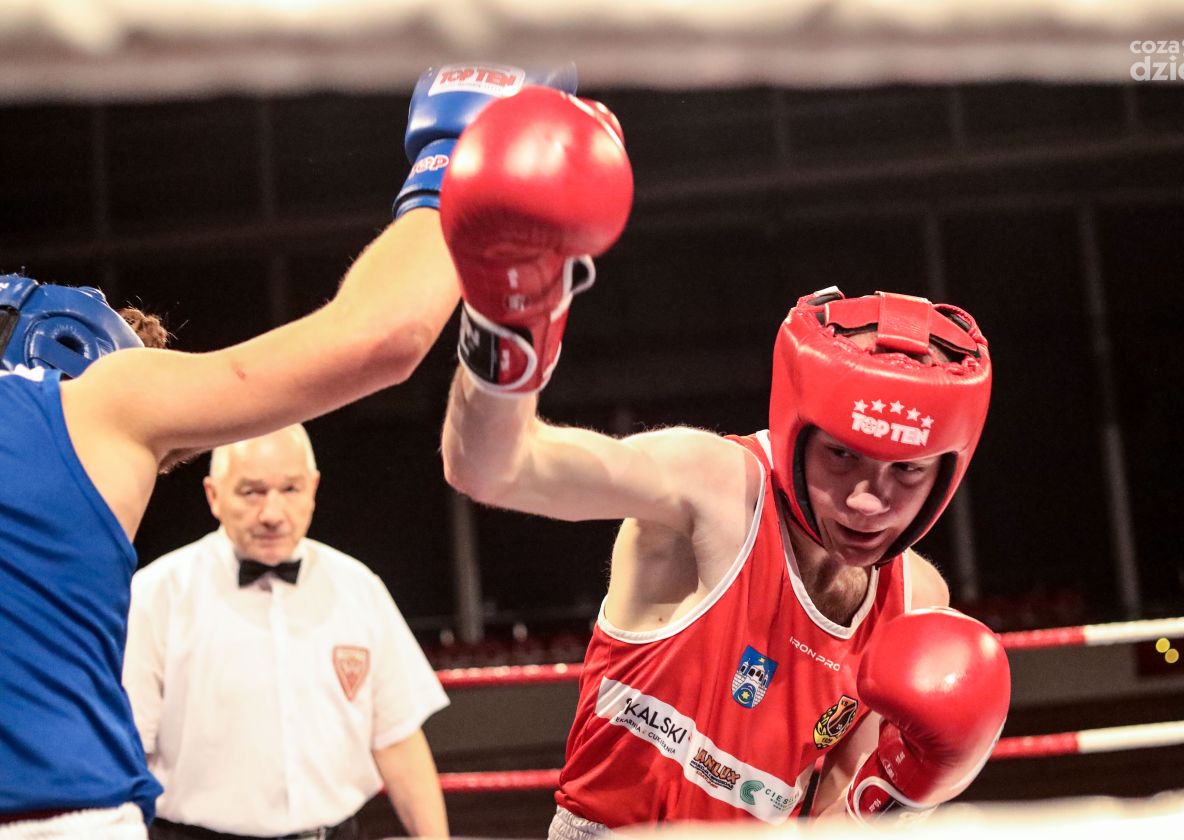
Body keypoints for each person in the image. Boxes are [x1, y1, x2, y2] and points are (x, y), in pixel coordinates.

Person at [0, 61, 563, 837]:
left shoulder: (350, 585)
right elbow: (380, 335)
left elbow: (396, 738)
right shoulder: (95, 410)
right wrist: (456, 154)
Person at [437, 88, 1012, 833]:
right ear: (798, 432)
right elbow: (493, 468)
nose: (869, 501)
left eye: (906, 472)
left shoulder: (916, 601)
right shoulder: (714, 489)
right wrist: (506, 317)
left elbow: (832, 814)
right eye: (842, 456)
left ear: (944, 476)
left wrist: (889, 796)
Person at [123, 425, 449, 839]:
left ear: (313, 488)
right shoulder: (158, 594)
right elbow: (126, 750)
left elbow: (397, 739)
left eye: (290, 489)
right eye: (252, 492)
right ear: (213, 495)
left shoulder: (358, 589)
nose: (272, 514)